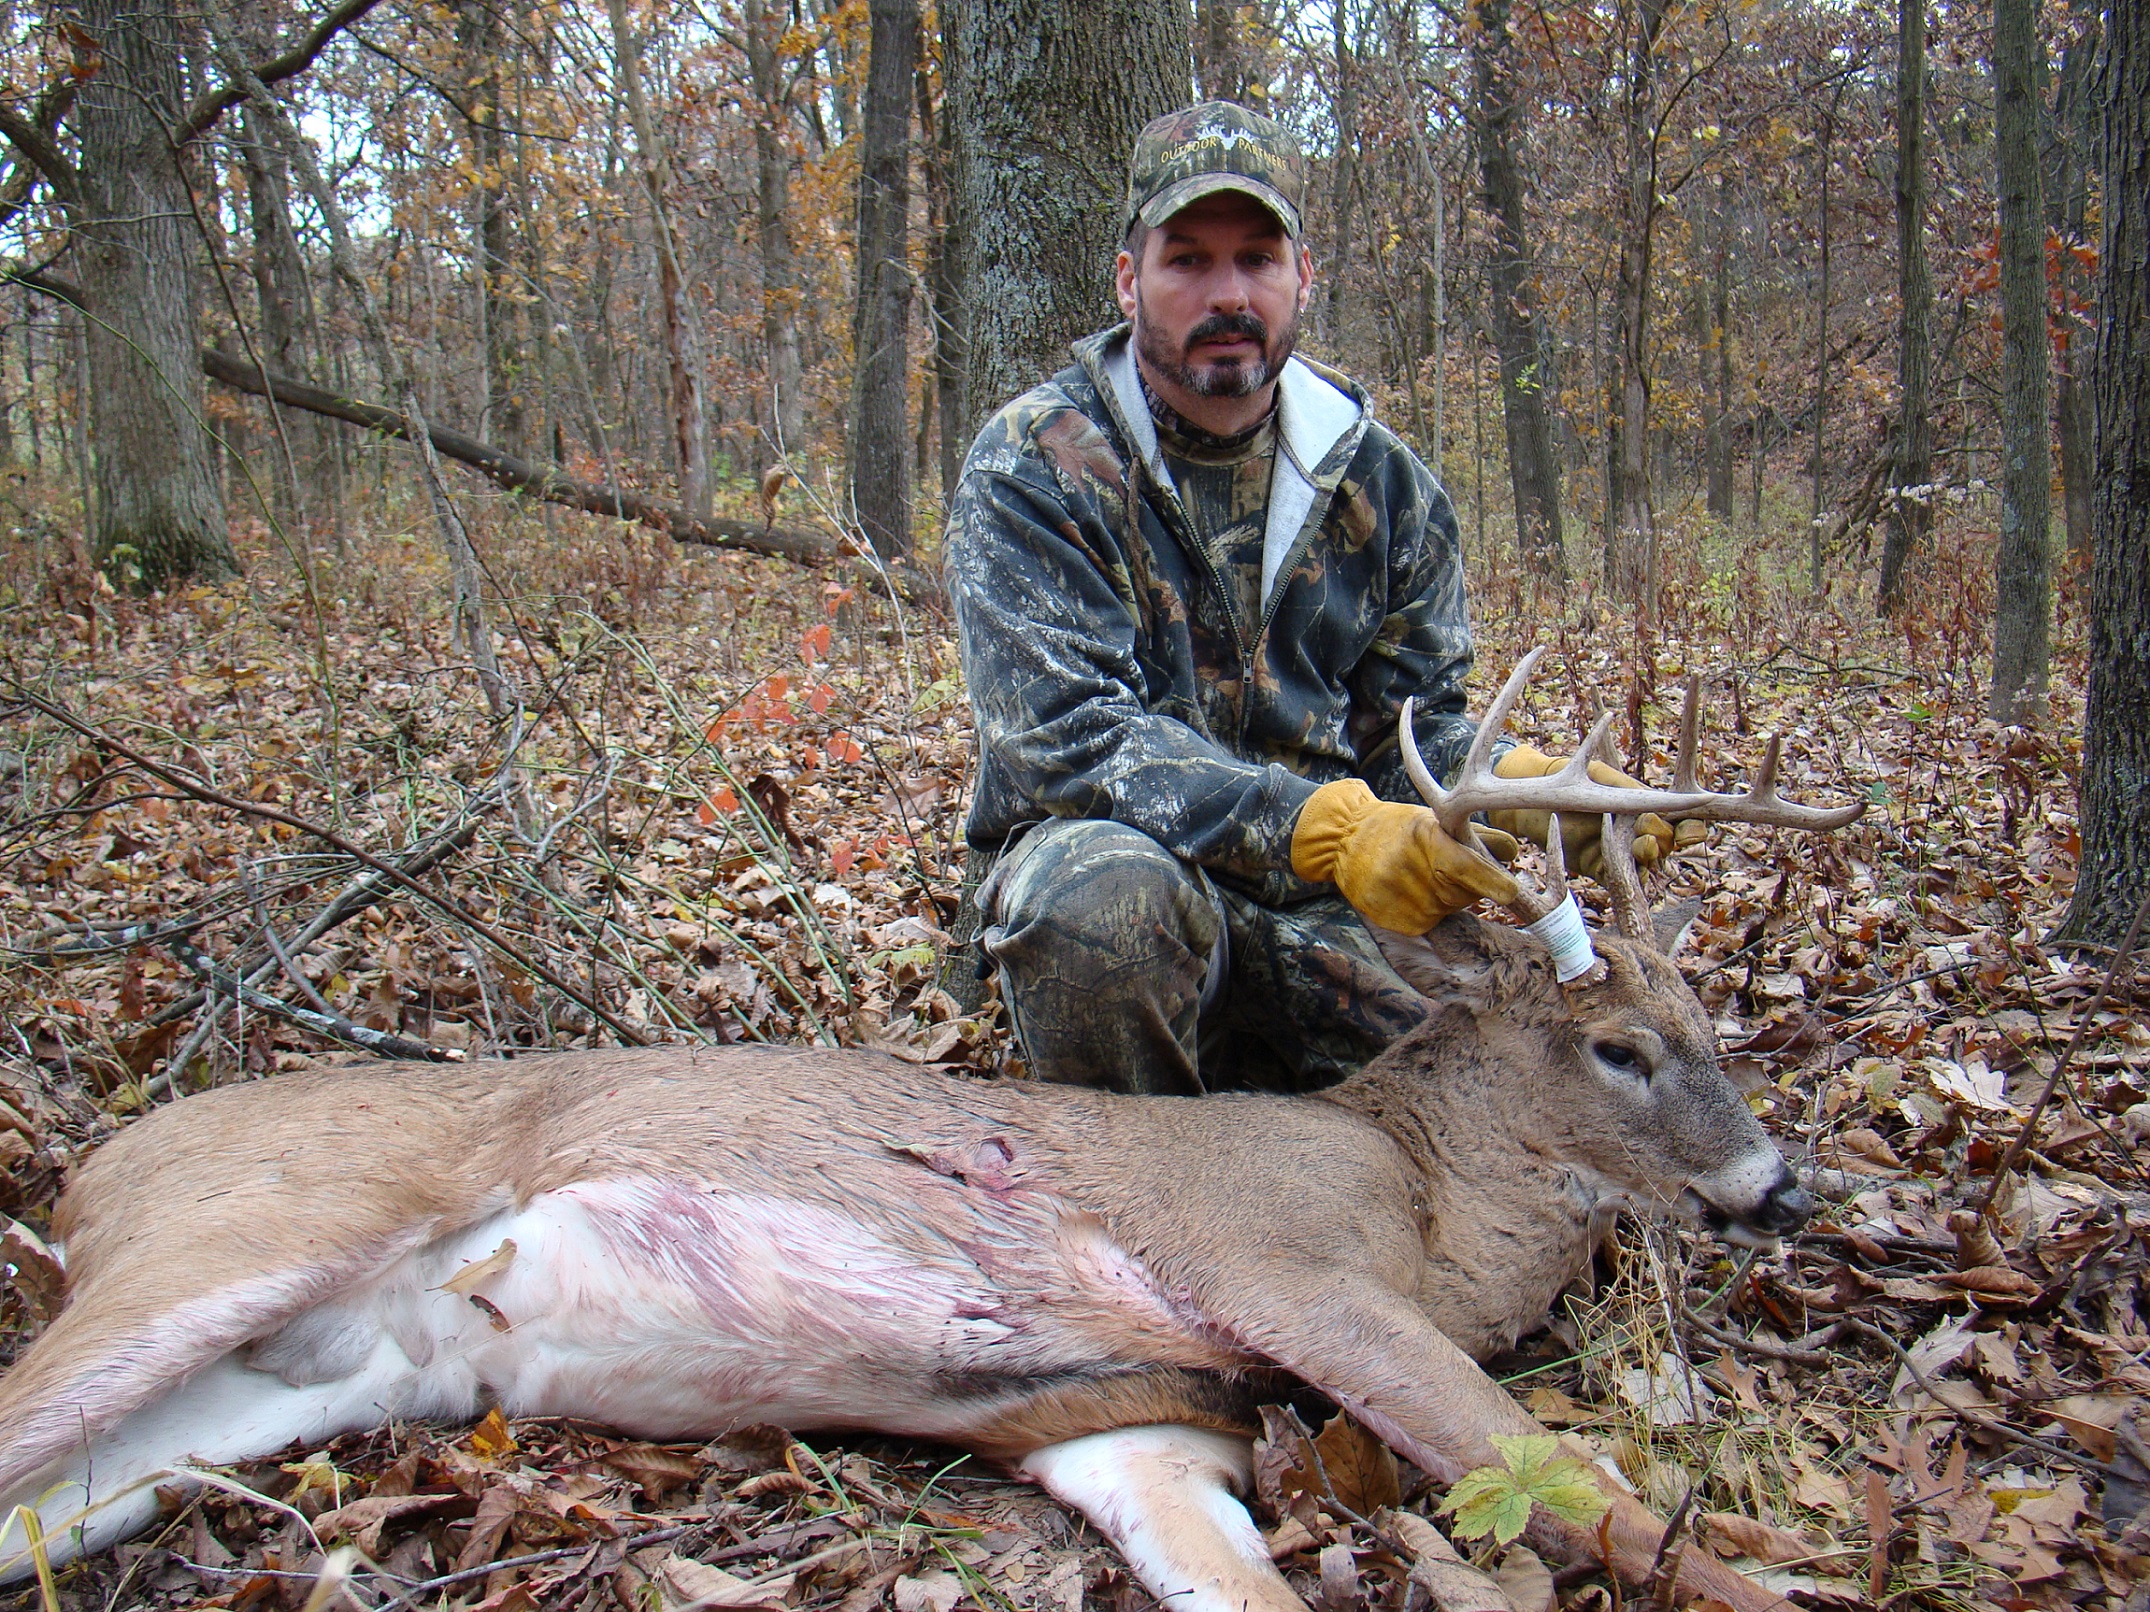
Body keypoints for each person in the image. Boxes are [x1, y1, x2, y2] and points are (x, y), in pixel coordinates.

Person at [944, 102, 1677, 1097]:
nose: (1227, 293)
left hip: (1326, 910)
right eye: (1186, 261)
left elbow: (1406, 729)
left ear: (1303, 277)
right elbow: (1069, 738)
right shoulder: (1036, 464)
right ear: (1127, 281)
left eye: (1257, 259)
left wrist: (1526, 788)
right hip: (1139, 882)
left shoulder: (1387, 485)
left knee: (1524, 1080)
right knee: (1099, 909)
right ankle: (1131, 1183)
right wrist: (1324, 829)